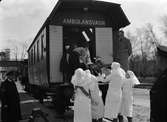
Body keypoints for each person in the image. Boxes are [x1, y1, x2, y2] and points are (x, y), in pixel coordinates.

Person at [150, 45, 167, 122]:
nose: (155, 59)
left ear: (161, 59)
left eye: (156, 56)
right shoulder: (163, 75)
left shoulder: (164, 79)